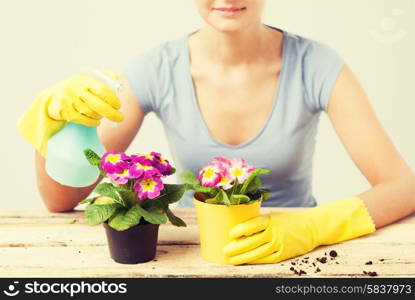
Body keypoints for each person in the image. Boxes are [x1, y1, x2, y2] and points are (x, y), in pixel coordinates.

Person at [18, 0, 414, 264]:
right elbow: (61, 199)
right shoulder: (156, 68)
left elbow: (402, 186)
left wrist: (316, 225)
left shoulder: (318, 65)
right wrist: (65, 131)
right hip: (194, 254)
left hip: (297, 258)